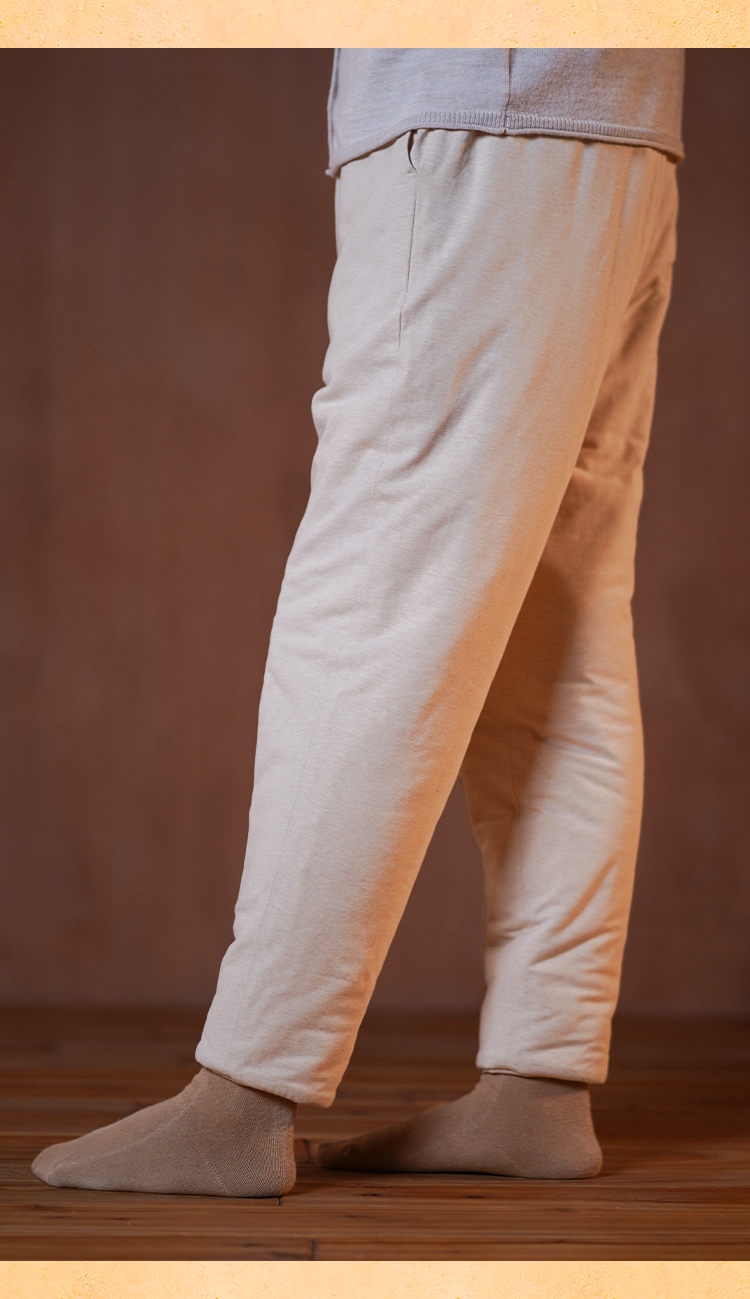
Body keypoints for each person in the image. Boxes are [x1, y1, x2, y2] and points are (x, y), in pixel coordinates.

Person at [32, 48, 684, 1197]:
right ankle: (540, 1085)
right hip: (622, 127)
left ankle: (245, 1097)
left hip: (482, 106)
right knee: (563, 624)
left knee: (377, 590)